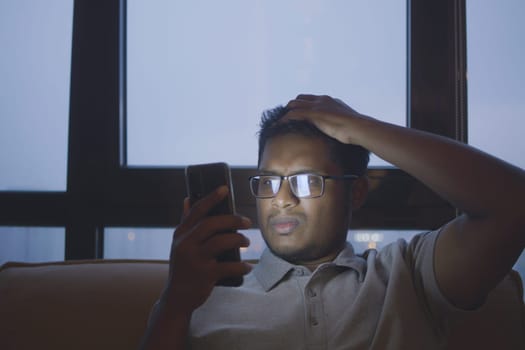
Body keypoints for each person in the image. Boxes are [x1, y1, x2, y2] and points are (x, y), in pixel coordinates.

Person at [141, 94, 525, 349]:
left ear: (356, 192)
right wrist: (175, 302)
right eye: (270, 181)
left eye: (308, 181)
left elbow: (514, 203)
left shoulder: (407, 276)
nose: (282, 199)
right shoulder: (200, 299)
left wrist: (360, 127)